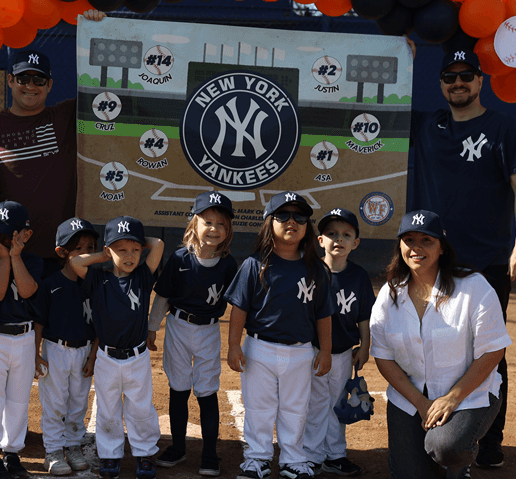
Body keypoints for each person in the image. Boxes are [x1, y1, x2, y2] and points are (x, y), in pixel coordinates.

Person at [408, 46, 516, 468]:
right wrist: (400, 52)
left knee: (489, 348)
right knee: (430, 341)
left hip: (488, 261)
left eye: (467, 76)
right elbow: (379, 104)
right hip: (433, 261)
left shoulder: (503, 127)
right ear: (441, 84)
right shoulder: (429, 125)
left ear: (481, 81)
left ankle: (488, 439)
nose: (458, 83)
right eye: (450, 77)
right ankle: (434, 424)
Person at [369, 210, 511, 479]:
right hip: (410, 398)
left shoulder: (473, 287)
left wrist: (452, 398)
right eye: (409, 240)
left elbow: (494, 350)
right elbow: (383, 357)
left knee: (447, 447)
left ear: (442, 247)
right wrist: (421, 404)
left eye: (426, 240)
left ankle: (460, 459)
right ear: (399, 246)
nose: (416, 248)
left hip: (469, 395)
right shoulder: (390, 295)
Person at [0, 9, 104, 264]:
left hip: (62, 250)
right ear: (10, 80)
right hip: (11, 251)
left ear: (50, 85)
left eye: (39, 79)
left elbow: (104, 87)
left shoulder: (65, 117)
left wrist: (97, 32)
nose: (30, 86)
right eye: (23, 78)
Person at [224, 191, 335, 479]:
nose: (292, 221)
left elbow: (324, 313)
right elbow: (239, 309)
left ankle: (292, 459)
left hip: (301, 351)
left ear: (307, 226)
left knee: (296, 409)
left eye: (300, 217)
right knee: (259, 408)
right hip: (259, 349)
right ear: (268, 223)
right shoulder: (254, 264)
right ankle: (257, 458)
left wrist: (325, 350)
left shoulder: (317, 269)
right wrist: (234, 345)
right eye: (283, 215)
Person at [148, 191, 239, 477]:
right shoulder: (178, 259)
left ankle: (210, 453)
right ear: (194, 225)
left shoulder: (228, 264)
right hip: (178, 327)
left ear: (228, 231)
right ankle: (178, 446)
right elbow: (163, 296)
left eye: (221, 224)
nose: (214, 229)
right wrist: (152, 327)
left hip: (209, 330)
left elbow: (237, 303)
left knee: (207, 390)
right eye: (207, 222)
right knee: (178, 387)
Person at [70, 216, 165, 479]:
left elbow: (157, 244)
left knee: (141, 408)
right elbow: (75, 261)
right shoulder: (99, 280)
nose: (130, 255)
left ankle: (144, 453)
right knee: (108, 408)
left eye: (135, 249)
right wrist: (105, 254)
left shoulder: (143, 278)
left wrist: (133, 239)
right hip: (107, 357)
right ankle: (110, 455)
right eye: (122, 250)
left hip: (137, 357)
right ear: (109, 250)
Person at [302, 208, 374, 478]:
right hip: (313, 350)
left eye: (346, 235)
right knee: (316, 402)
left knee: (336, 401)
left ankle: (335, 455)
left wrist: (365, 346)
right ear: (320, 240)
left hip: (343, 351)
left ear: (355, 243)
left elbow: (365, 316)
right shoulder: (309, 271)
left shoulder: (359, 276)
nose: (338, 239)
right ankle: (311, 454)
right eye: (331, 234)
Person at [0, 201, 42, 479]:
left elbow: (27, 291)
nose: (7, 240)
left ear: (26, 235)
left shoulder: (34, 261)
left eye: (14, 234)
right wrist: (4, 258)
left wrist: (15, 257)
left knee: (18, 400)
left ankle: (12, 453)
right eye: (1, 235)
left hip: (24, 338)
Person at [35, 218, 100, 476]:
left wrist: (93, 356)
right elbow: (39, 324)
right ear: (62, 253)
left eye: (91, 247)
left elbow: (100, 327)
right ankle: (52, 450)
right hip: (55, 349)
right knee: (55, 403)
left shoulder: (96, 284)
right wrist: (35, 354)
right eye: (78, 248)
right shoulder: (50, 284)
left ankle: (72, 445)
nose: (86, 253)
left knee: (78, 402)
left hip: (84, 350)